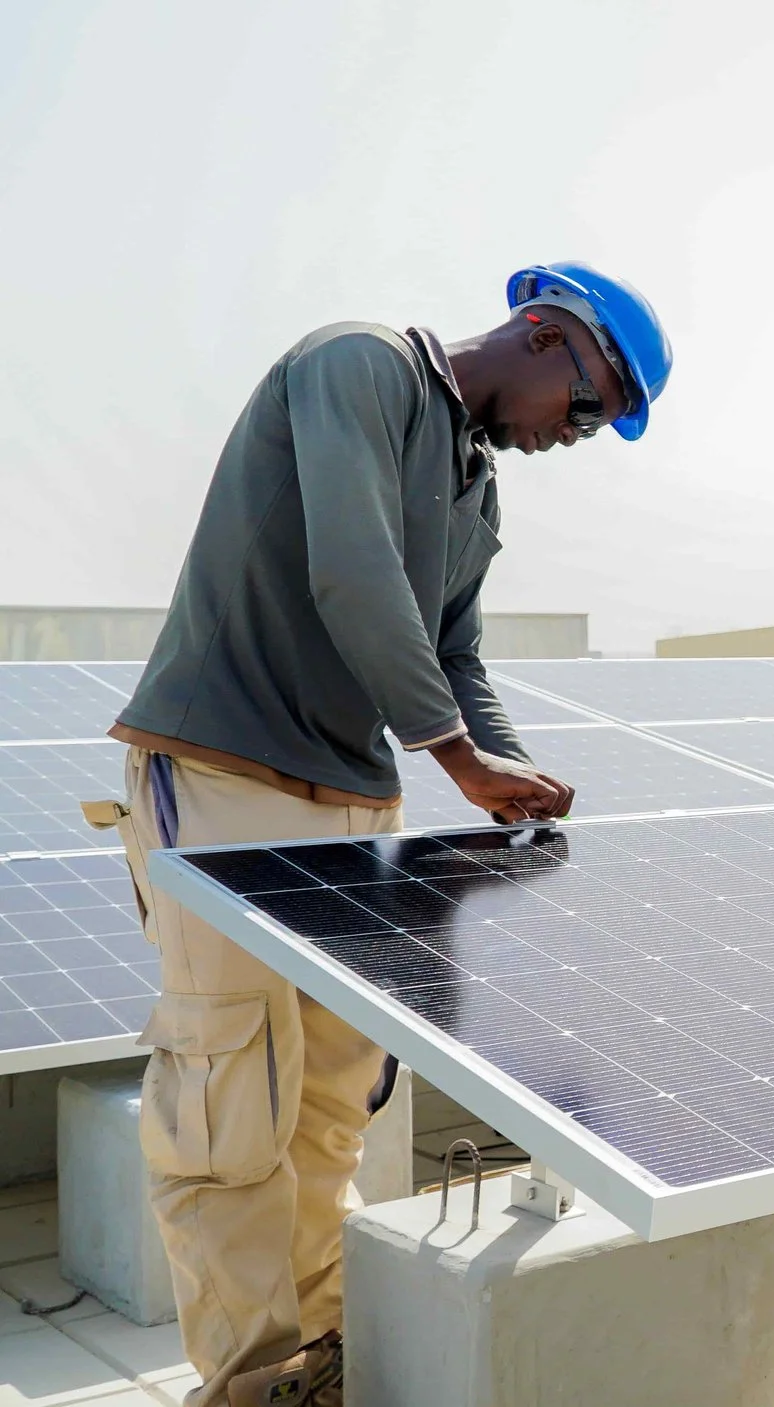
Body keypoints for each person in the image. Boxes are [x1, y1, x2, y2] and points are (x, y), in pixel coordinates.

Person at [98, 262, 671, 1407]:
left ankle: (326, 1356)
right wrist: (458, 754)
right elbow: (351, 567)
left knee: (326, 1113)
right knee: (231, 1110)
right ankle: (255, 1385)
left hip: (356, 803)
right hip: (225, 777)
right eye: (591, 406)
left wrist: (504, 775)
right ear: (545, 334)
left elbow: (454, 652)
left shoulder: (476, 491)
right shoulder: (357, 365)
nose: (577, 437)